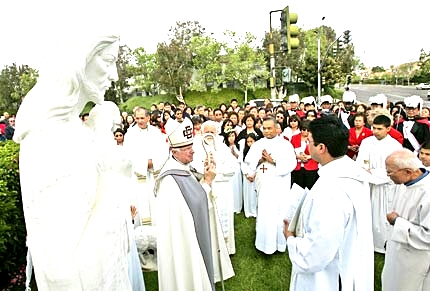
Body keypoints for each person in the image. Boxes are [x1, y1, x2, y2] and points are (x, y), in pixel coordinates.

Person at [13, 30, 134, 290]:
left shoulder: (74, 131)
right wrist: (115, 181)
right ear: (80, 59)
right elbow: (69, 277)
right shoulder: (50, 139)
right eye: (108, 60)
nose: (114, 76)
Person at [284, 115, 374, 291]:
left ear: (321, 147)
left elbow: (314, 255)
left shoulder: (329, 191)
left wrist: (291, 238)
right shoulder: (351, 170)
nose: (307, 145)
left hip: (331, 277)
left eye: (310, 141)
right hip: (351, 259)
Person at [154, 117, 226, 291]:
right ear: (174, 151)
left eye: (191, 147)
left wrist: (204, 175)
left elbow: (192, 192)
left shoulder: (182, 167)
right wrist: (207, 181)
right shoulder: (170, 178)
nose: (192, 152)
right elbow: (195, 203)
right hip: (182, 241)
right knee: (185, 272)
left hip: (189, 234)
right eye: (187, 149)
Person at [245, 116, 297, 254]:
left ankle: (279, 243)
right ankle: (263, 243)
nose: (267, 131)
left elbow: (292, 164)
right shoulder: (258, 144)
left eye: (269, 128)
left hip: (279, 185)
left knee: (279, 212)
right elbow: (249, 162)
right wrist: (260, 160)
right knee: (264, 212)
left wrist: (273, 160)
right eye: (264, 128)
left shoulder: (285, 144)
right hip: (264, 185)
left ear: (276, 128)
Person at [382, 149, 430, 291]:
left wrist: (398, 223)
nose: (387, 175)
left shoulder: (427, 192)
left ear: (408, 171)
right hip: (397, 252)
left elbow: (427, 236)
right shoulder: (405, 183)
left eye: (390, 172)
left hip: (416, 259)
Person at [356, 114, 403, 253]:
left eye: (379, 129)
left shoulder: (395, 145)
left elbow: (394, 169)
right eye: (373, 128)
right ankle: (368, 242)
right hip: (369, 185)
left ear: (388, 128)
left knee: (382, 216)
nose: (375, 131)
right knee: (369, 214)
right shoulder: (366, 142)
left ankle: (384, 244)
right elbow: (362, 161)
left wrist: (374, 172)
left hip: (386, 187)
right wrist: (366, 171)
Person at [123, 107, 169, 227]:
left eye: (142, 118)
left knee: (156, 203)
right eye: (137, 118)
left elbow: (164, 152)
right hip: (139, 177)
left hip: (155, 174)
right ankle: (143, 235)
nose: (139, 121)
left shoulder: (156, 132)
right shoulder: (130, 134)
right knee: (140, 203)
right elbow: (128, 155)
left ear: (148, 117)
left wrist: (153, 162)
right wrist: (145, 163)